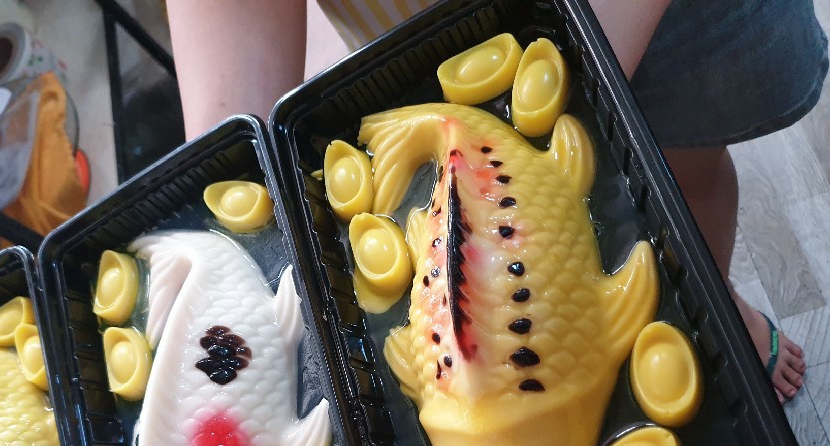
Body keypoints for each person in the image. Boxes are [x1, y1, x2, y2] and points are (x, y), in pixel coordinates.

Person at [165, 0, 827, 403]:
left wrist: (575, 69)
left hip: (674, 17)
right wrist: (235, 219)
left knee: (688, 168)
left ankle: (710, 294)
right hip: (432, 31)